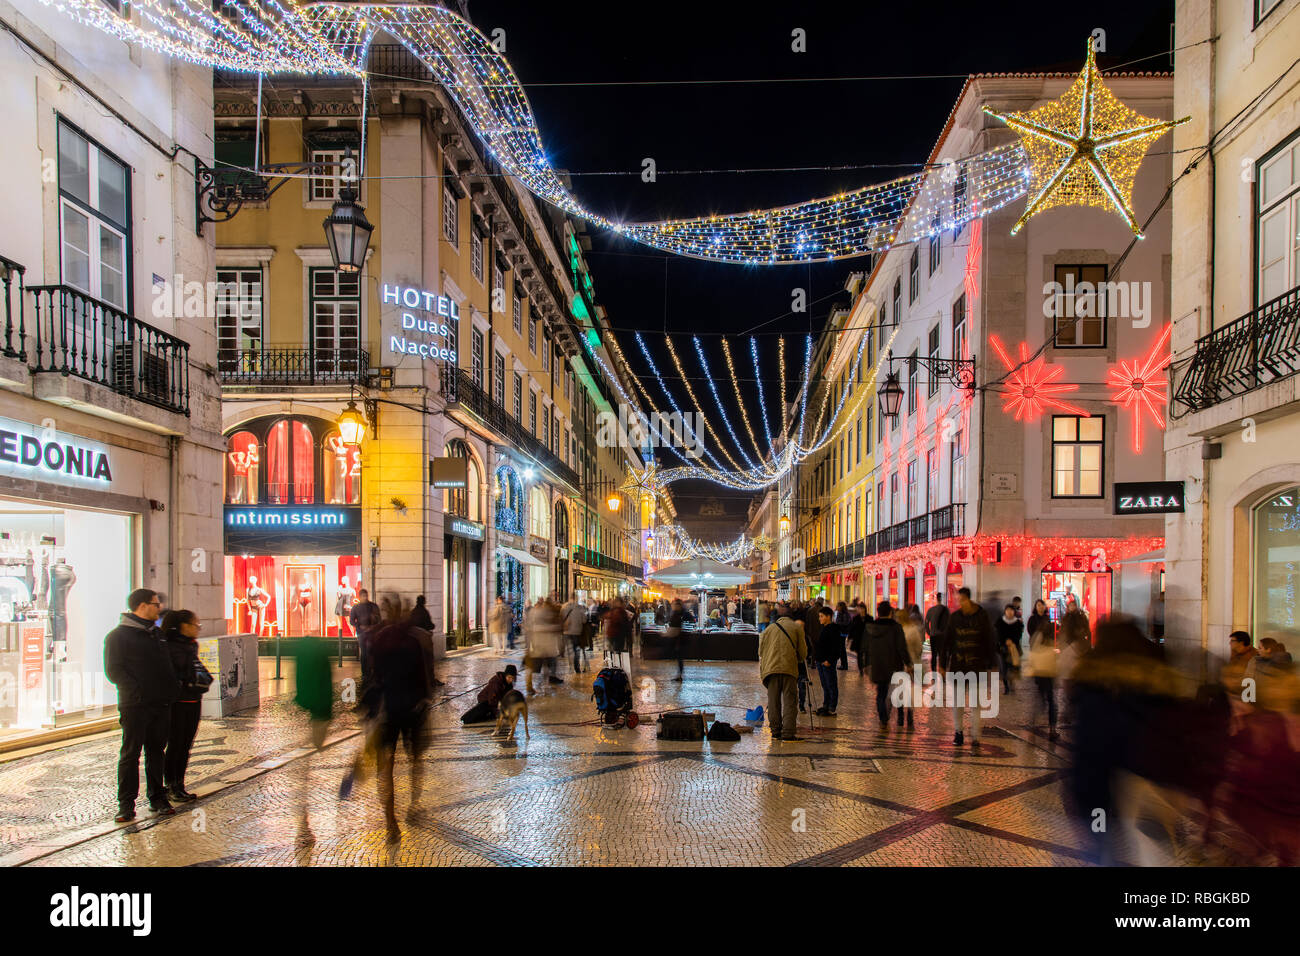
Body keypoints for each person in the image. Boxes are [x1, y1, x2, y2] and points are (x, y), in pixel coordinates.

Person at [104, 588, 179, 823]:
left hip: (161, 703)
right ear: (142, 605)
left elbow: (166, 665)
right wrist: (136, 691)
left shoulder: (156, 634)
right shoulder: (118, 636)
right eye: (155, 605)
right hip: (135, 705)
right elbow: (113, 670)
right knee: (130, 754)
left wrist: (172, 689)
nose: (159, 609)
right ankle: (126, 804)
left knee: (157, 752)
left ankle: (158, 797)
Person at [367, 598, 434, 843]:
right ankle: (413, 805)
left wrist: (371, 709)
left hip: (389, 710)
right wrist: (426, 699)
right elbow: (425, 674)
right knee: (414, 759)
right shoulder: (414, 639)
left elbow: (373, 676)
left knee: (385, 767)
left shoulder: (379, 639)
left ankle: (391, 822)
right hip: (411, 709)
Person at [940, 587, 999, 748]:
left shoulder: (982, 616)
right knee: (958, 703)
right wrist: (942, 664)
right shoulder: (955, 617)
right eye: (958, 600)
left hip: (976, 666)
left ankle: (975, 736)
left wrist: (993, 663)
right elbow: (947, 642)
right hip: (958, 666)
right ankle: (958, 732)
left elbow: (989, 639)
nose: (960, 603)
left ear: (968, 599)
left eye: (961, 600)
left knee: (976, 704)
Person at [293, 624, 334, 840]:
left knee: (309, 751)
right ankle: (303, 812)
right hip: (318, 709)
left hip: (305, 704)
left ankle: (302, 811)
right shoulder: (319, 651)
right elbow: (325, 682)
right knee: (312, 747)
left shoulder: (303, 650)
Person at [161, 609, 204, 804]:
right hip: (177, 703)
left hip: (193, 700)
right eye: (196, 625)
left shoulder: (191, 645)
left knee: (186, 745)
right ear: (183, 626)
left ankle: (180, 784)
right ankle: (171, 785)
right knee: (175, 745)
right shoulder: (168, 647)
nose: (198, 629)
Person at [759, 604, 807, 741]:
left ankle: (775, 731)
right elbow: (803, 653)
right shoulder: (796, 628)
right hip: (789, 669)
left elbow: (760, 652)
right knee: (790, 701)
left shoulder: (768, 629)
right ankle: (788, 733)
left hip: (771, 670)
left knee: (773, 701)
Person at [865, 602, 911, 731]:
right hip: (894, 665)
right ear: (890, 613)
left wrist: (866, 664)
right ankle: (900, 717)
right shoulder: (896, 627)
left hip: (878, 665)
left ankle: (883, 718)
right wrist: (908, 662)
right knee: (896, 692)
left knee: (881, 693)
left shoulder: (871, 627)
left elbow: (866, 648)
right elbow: (902, 647)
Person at [1027, 621, 1059, 740]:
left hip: (1040, 672)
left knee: (1040, 699)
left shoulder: (1037, 638)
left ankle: (1033, 724)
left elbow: (1033, 654)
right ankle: (1052, 728)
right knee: (1051, 701)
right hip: (1048, 673)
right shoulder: (1050, 641)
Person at [525, 596, 564, 694]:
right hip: (543, 646)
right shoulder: (544, 613)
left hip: (541, 646)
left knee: (539, 667)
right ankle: (537, 686)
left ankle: (537, 686)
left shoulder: (536, 612)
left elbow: (530, 627)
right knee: (539, 666)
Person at [814, 606, 842, 717]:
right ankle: (825, 705)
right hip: (820, 661)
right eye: (819, 616)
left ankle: (832, 707)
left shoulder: (833, 629)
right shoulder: (824, 627)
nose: (819, 619)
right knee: (825, 685)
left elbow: (836, 647)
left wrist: (829, 660)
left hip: (827, 662)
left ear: (828, 617)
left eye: (821, 616)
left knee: (831, 684)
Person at [900, 606, 925, 728]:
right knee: (909, 690)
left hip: (901, 665)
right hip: (911, 663)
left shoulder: (897, 630)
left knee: (900, 690)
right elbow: (919, 647)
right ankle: (909, 715)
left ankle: (900, 717)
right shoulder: (912, 630)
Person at [348, 588, 381, 680]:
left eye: (366, 596)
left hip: (372, 632)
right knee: (364, 653)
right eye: (363, 596)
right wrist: (359, 626)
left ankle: (371, 672)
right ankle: (365, 673)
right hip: (361, 633)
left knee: (371, 651)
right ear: (360, 597)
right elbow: (351, 621)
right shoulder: (356, 607)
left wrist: (373, 626)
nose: (365, 598)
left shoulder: (373, 606)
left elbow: (379, 618)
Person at [995, 604, 1023, 694]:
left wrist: (1012, 641)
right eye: (1007, 610)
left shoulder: (1018, 623)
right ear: (1005, 611)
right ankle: (1006, 686)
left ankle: (1011, 683)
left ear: (1014, 612)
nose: (1009, 612)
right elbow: (998, 634)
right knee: (1004, 668)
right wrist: (1005, 641)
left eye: (1011, 610)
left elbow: (1019, 635)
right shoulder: (1000, 621)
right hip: (1003, 648)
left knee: (1012, 666)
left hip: (1014, 648)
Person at [603, 596, 633, 674]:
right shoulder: (621, 612)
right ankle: (617, 669)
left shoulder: (612, 611)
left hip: (612, 634)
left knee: (613, 651)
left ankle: (613, 668)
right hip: (618, 635)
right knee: (618, 651)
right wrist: (629, 636)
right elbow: (625, 624)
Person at [924, 593, 950, 679]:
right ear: (942, 599)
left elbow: (926, 623)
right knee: (942, 655)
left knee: (934, 655)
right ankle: (943, 673)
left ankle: (934, 673)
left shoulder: (931, 610)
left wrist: (929, 632)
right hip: (942, 636)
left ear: (936, 599)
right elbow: (949, 624)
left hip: (934, 636)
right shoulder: (946, 610)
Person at [562, 595, 589, 674]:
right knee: (576, 650)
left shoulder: (564, 608)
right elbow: (584, 620)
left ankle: (570, 666)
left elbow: (561, 618)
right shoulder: (580, 608)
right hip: (577, 632)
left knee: (569, 649)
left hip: (566, 632)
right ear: (576, 599)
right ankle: (576, 667)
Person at [668, 598, 688, 682]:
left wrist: (666, 634)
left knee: (679, 658)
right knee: (679, 658)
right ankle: (679, 675)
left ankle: (679, 675)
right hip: (678, 640)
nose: (672, 606)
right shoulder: (679, 614)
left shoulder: (677, 614)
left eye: (674, 604)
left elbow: (676, 628)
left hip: (678, 640)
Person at [847, 602, 869, 676]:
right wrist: (849, 638)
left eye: (861, 608)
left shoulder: (869, 618)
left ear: (864, 609)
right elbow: (852, 629)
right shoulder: (856, 618)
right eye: (859, 608)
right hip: (858, 639)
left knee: (866, 654)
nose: (860, 610)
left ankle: (865, 666)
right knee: (859, 655)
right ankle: (861, 669)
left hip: (867, 639)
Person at [833, 601, 851, 670]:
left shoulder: (844, 614)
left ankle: (844, 665)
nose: (837, 607)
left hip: (842, 633)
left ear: (841, 607)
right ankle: (843, 664)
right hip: (840, 632)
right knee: (841, 649)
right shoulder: (839, 613)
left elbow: (846, 623)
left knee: (842, 649)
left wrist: (837, 624)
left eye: (838, 606)